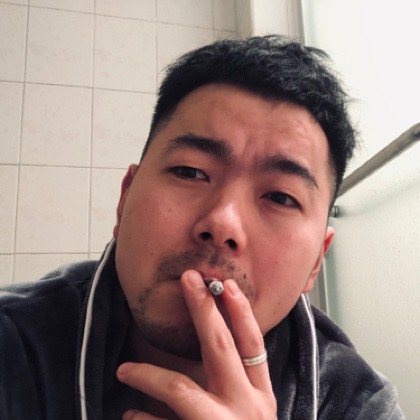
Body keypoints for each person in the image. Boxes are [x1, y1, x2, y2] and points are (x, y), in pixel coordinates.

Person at [0, 35, 403, 419]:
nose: (223, 223)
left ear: (316, 262)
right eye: (190, 172)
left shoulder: (359, 405)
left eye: (281, 198)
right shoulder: (13, 342)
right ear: (124, 200)